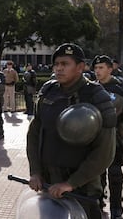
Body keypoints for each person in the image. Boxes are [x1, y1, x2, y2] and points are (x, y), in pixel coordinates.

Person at [27, 43, 117, 219]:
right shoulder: (48, 91)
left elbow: (105, 152)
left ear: (80, 67)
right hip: (48, 185)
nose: (59, 68)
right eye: (56, 64)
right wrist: (35, 171)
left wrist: (71, 183)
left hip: (81, 190)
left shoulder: (97, 96)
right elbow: (34, 134)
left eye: (65, 64)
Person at [93, 55, 123, 219]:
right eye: (96, 68)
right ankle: (98, 202)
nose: (97, 71)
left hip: (115, 138)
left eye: (101, 68)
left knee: (115, 174)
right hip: (95, 139)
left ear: (110, 69)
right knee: (97, 173)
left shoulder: (122, 88)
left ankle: (116, 208)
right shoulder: (91, 88)